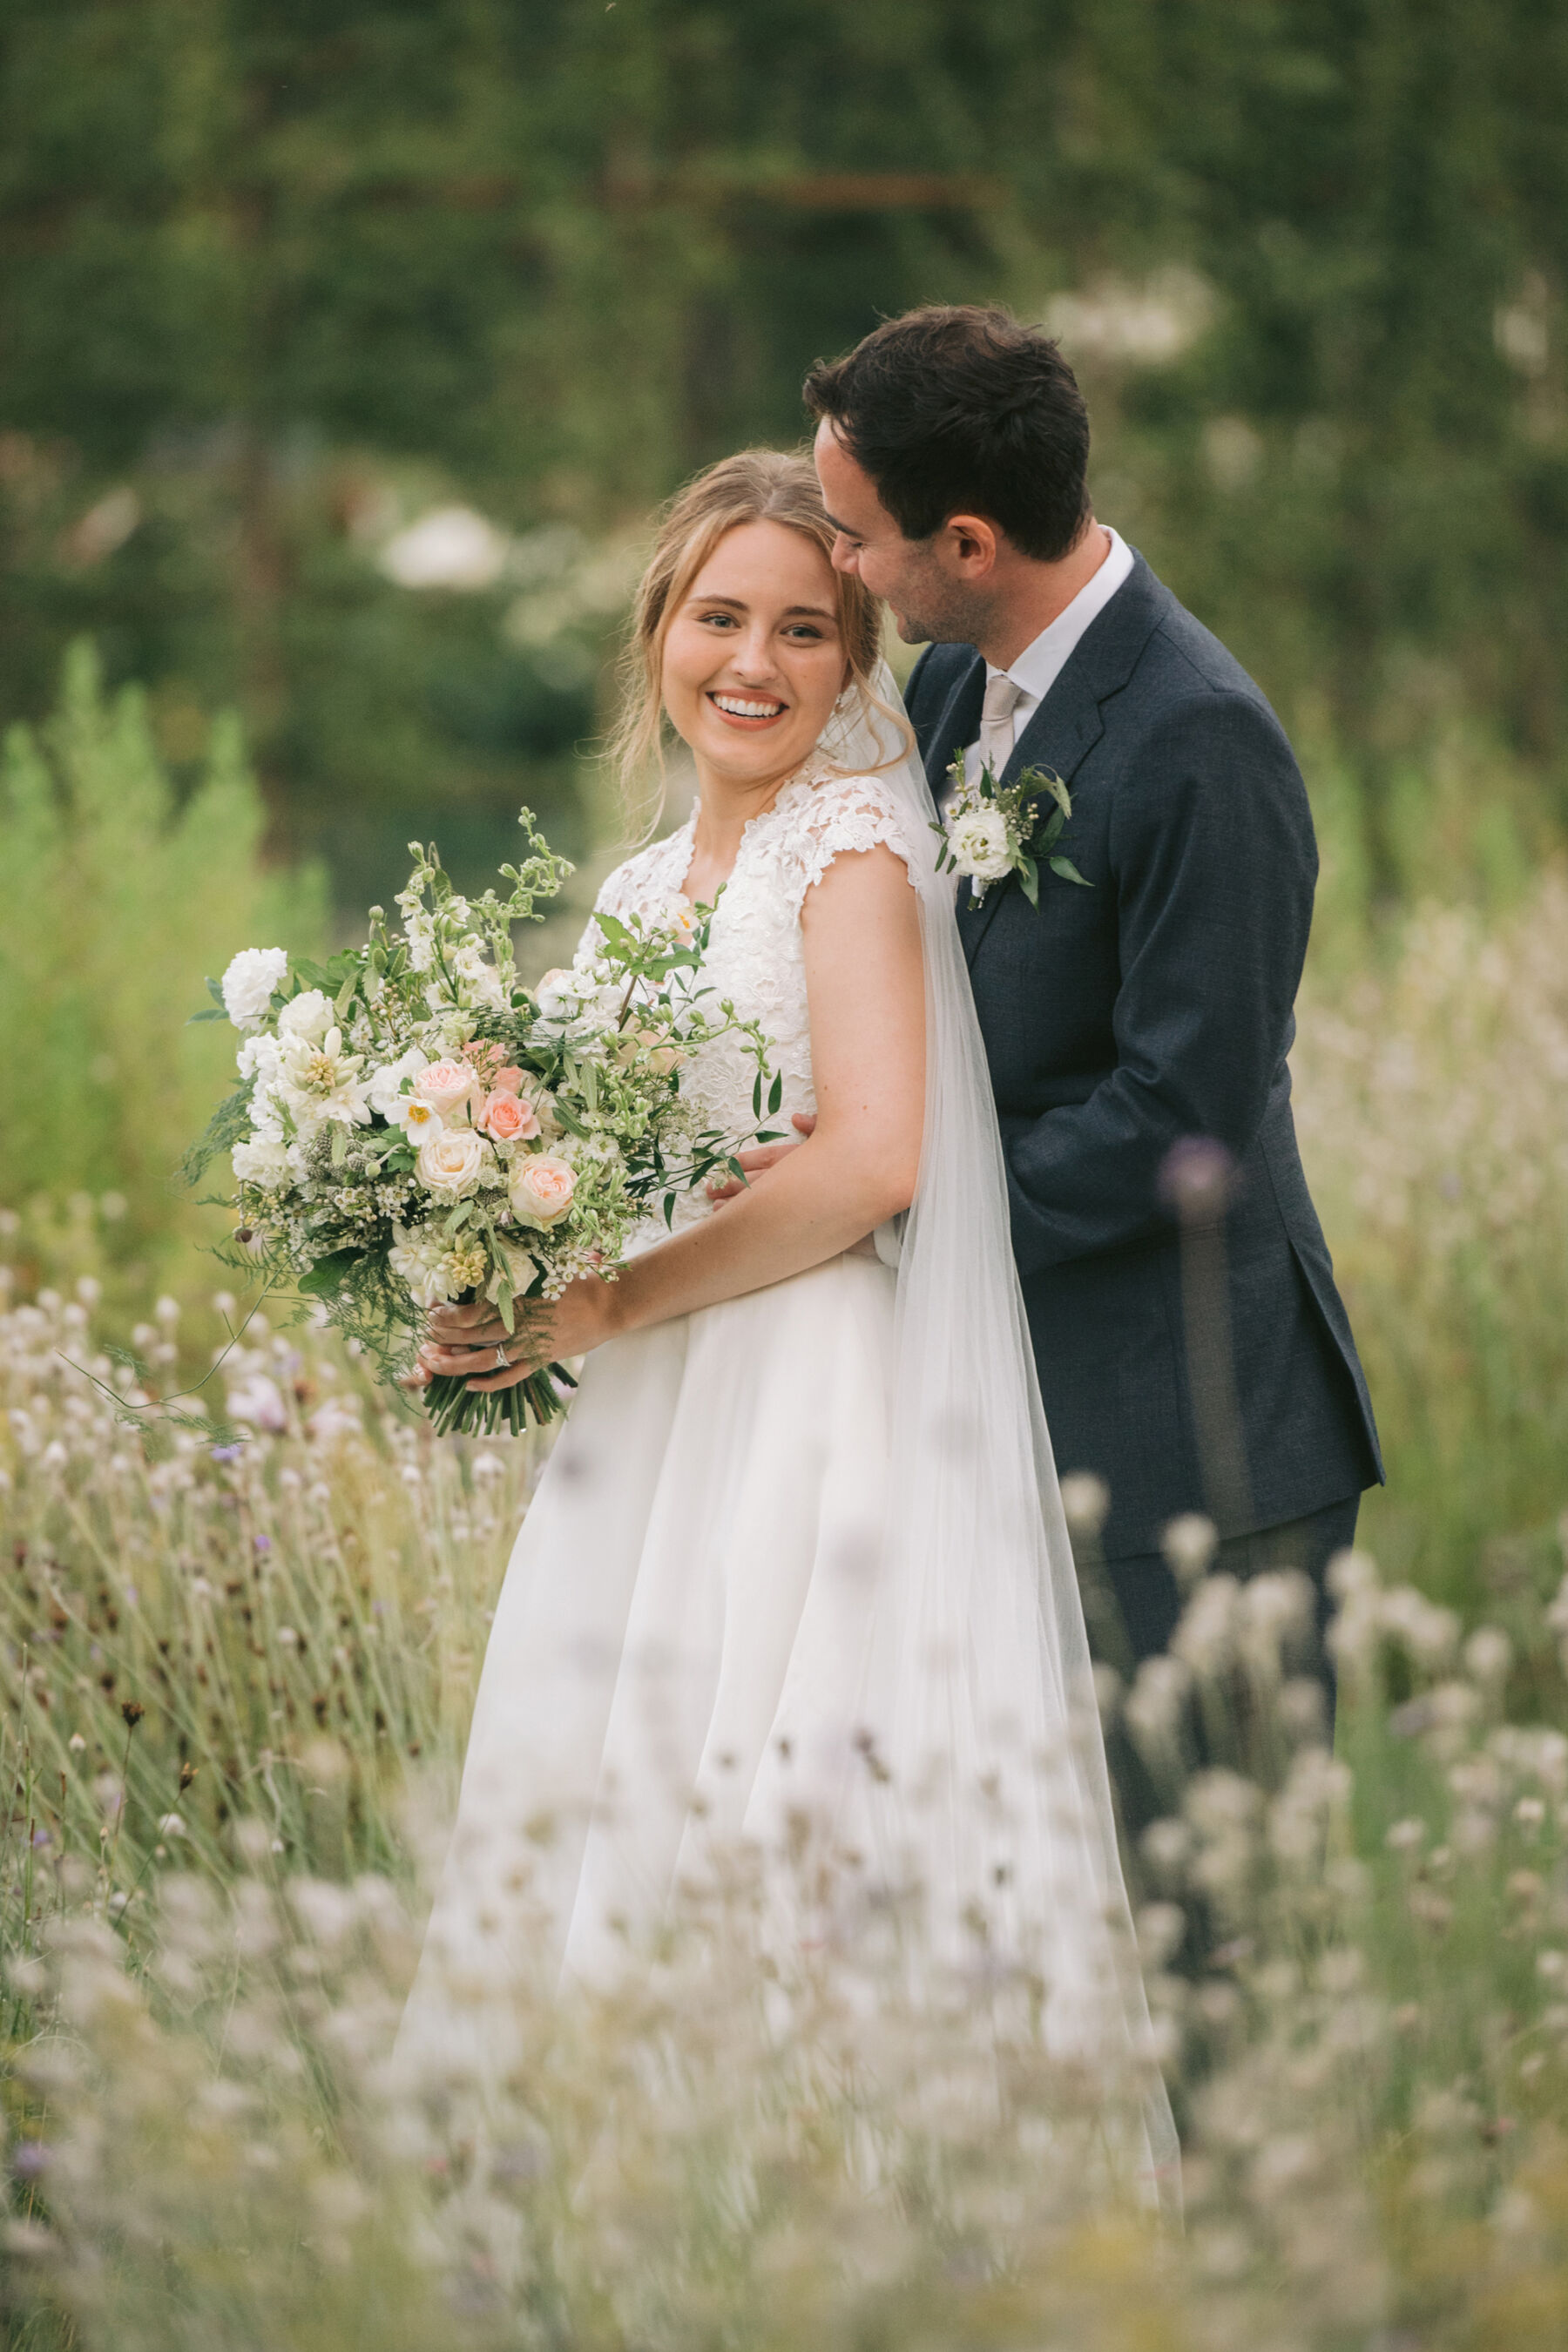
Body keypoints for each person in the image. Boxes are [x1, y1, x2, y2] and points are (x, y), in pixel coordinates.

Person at [401, 450, 1175, 2189]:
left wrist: (610, 1297)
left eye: (804, 629)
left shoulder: (851, 849)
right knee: (619, 1815)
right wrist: (488, 1279)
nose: (752, 661)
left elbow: (875, 1160)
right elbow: (594, 1170)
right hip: (650, 1418)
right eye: (719, 616)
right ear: (659, 630)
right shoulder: (634, 889)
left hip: (811, 1400)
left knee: (789, 1831)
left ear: (851, 664)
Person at [787, 304, 1382, 1720]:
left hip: (1192, 1438)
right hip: (1012, 1399)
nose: (839, 562)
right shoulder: (951, 683)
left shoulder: (1200, 740)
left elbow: (1183, 1118)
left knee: (1197, 1926)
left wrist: (894, 1207)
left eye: (857, 536)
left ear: (971, 544)